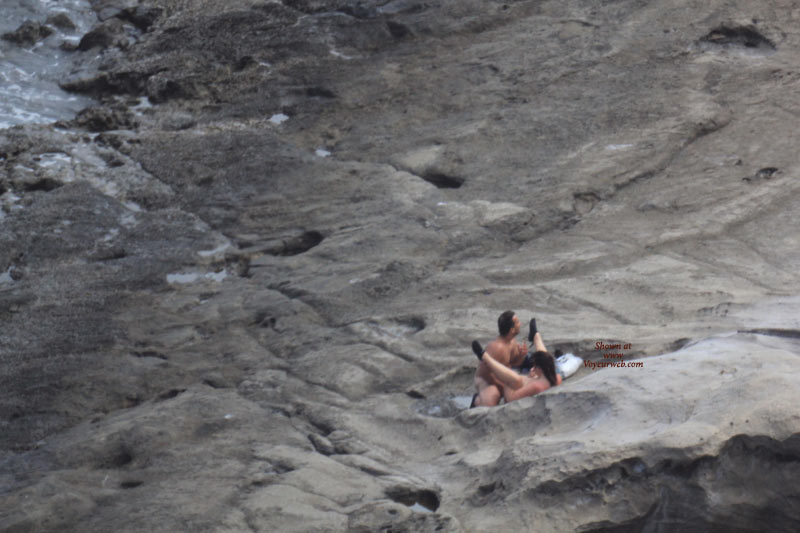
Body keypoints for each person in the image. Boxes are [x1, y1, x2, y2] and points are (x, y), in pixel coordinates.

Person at [471, 317, 561, 406]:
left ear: (540, 369)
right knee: (544, 358)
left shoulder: (536, 386)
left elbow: (511, 398)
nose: (533, 368)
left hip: (513, 388)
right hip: (529, 378)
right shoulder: (555, 377)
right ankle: (535, 336)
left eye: (535, 366)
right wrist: (533, 375)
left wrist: (506, 382)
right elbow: (545, 363)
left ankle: (484, 356)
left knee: (516, 380)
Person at [471, 310, 528, 407]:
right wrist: (502, 386)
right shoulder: (496, 347)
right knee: (492, 398)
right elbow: (485, 373)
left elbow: (515, 363)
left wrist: (522, 355)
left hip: (502, 376)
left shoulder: (512, 342)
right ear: (512, 330)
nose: (520, 324)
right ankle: (476, 400)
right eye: (518, 322)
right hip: (485, 379)